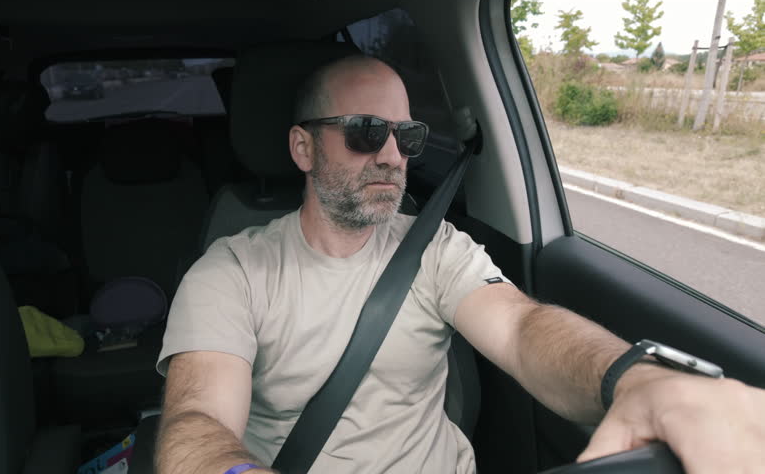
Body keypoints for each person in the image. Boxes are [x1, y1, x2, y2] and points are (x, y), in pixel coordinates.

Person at [154, 55, 765, 474]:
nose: (394, 156)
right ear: (302, 147)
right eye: (367, 131)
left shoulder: (434, 247)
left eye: (407, 135)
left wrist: (637, 378)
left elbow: (525, 330)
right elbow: (197, 421)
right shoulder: (231, 271)